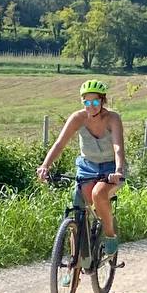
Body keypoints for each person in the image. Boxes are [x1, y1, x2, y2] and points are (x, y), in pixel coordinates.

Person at [36, 79, 127, 255]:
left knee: (98, 194)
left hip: (110, 167)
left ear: (102, 101)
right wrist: (45, 165)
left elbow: (118, 146)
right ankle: (74, 263)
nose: (90, 106)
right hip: (87, 166)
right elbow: (60, 143)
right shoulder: (78, 118)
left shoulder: (112, 118)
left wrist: (118, 170)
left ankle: (109, 235)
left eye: (95, 102)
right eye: (87, 102)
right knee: (78, 212)